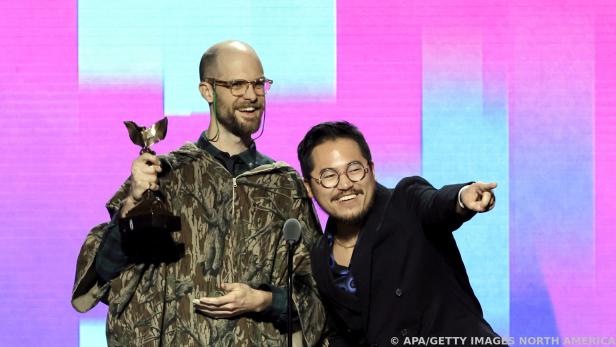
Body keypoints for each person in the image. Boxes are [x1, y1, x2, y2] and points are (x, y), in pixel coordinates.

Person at [72, 41, 325, 346]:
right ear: (207, 91)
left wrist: (262, 300)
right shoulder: (165, 176)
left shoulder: (283, 185)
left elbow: (317, 292)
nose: (251, 95)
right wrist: (131, 206)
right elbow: (105, 272)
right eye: (236, 84)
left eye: (258, 84)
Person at [297, 121, 504, 346]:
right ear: (309, 187)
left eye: (355, 169)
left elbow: (434, 204)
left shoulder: (405, 202)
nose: (345, 184)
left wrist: (461, 198)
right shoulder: (320, 256)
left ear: (371, 169)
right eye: (329, 175)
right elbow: (346, 334)